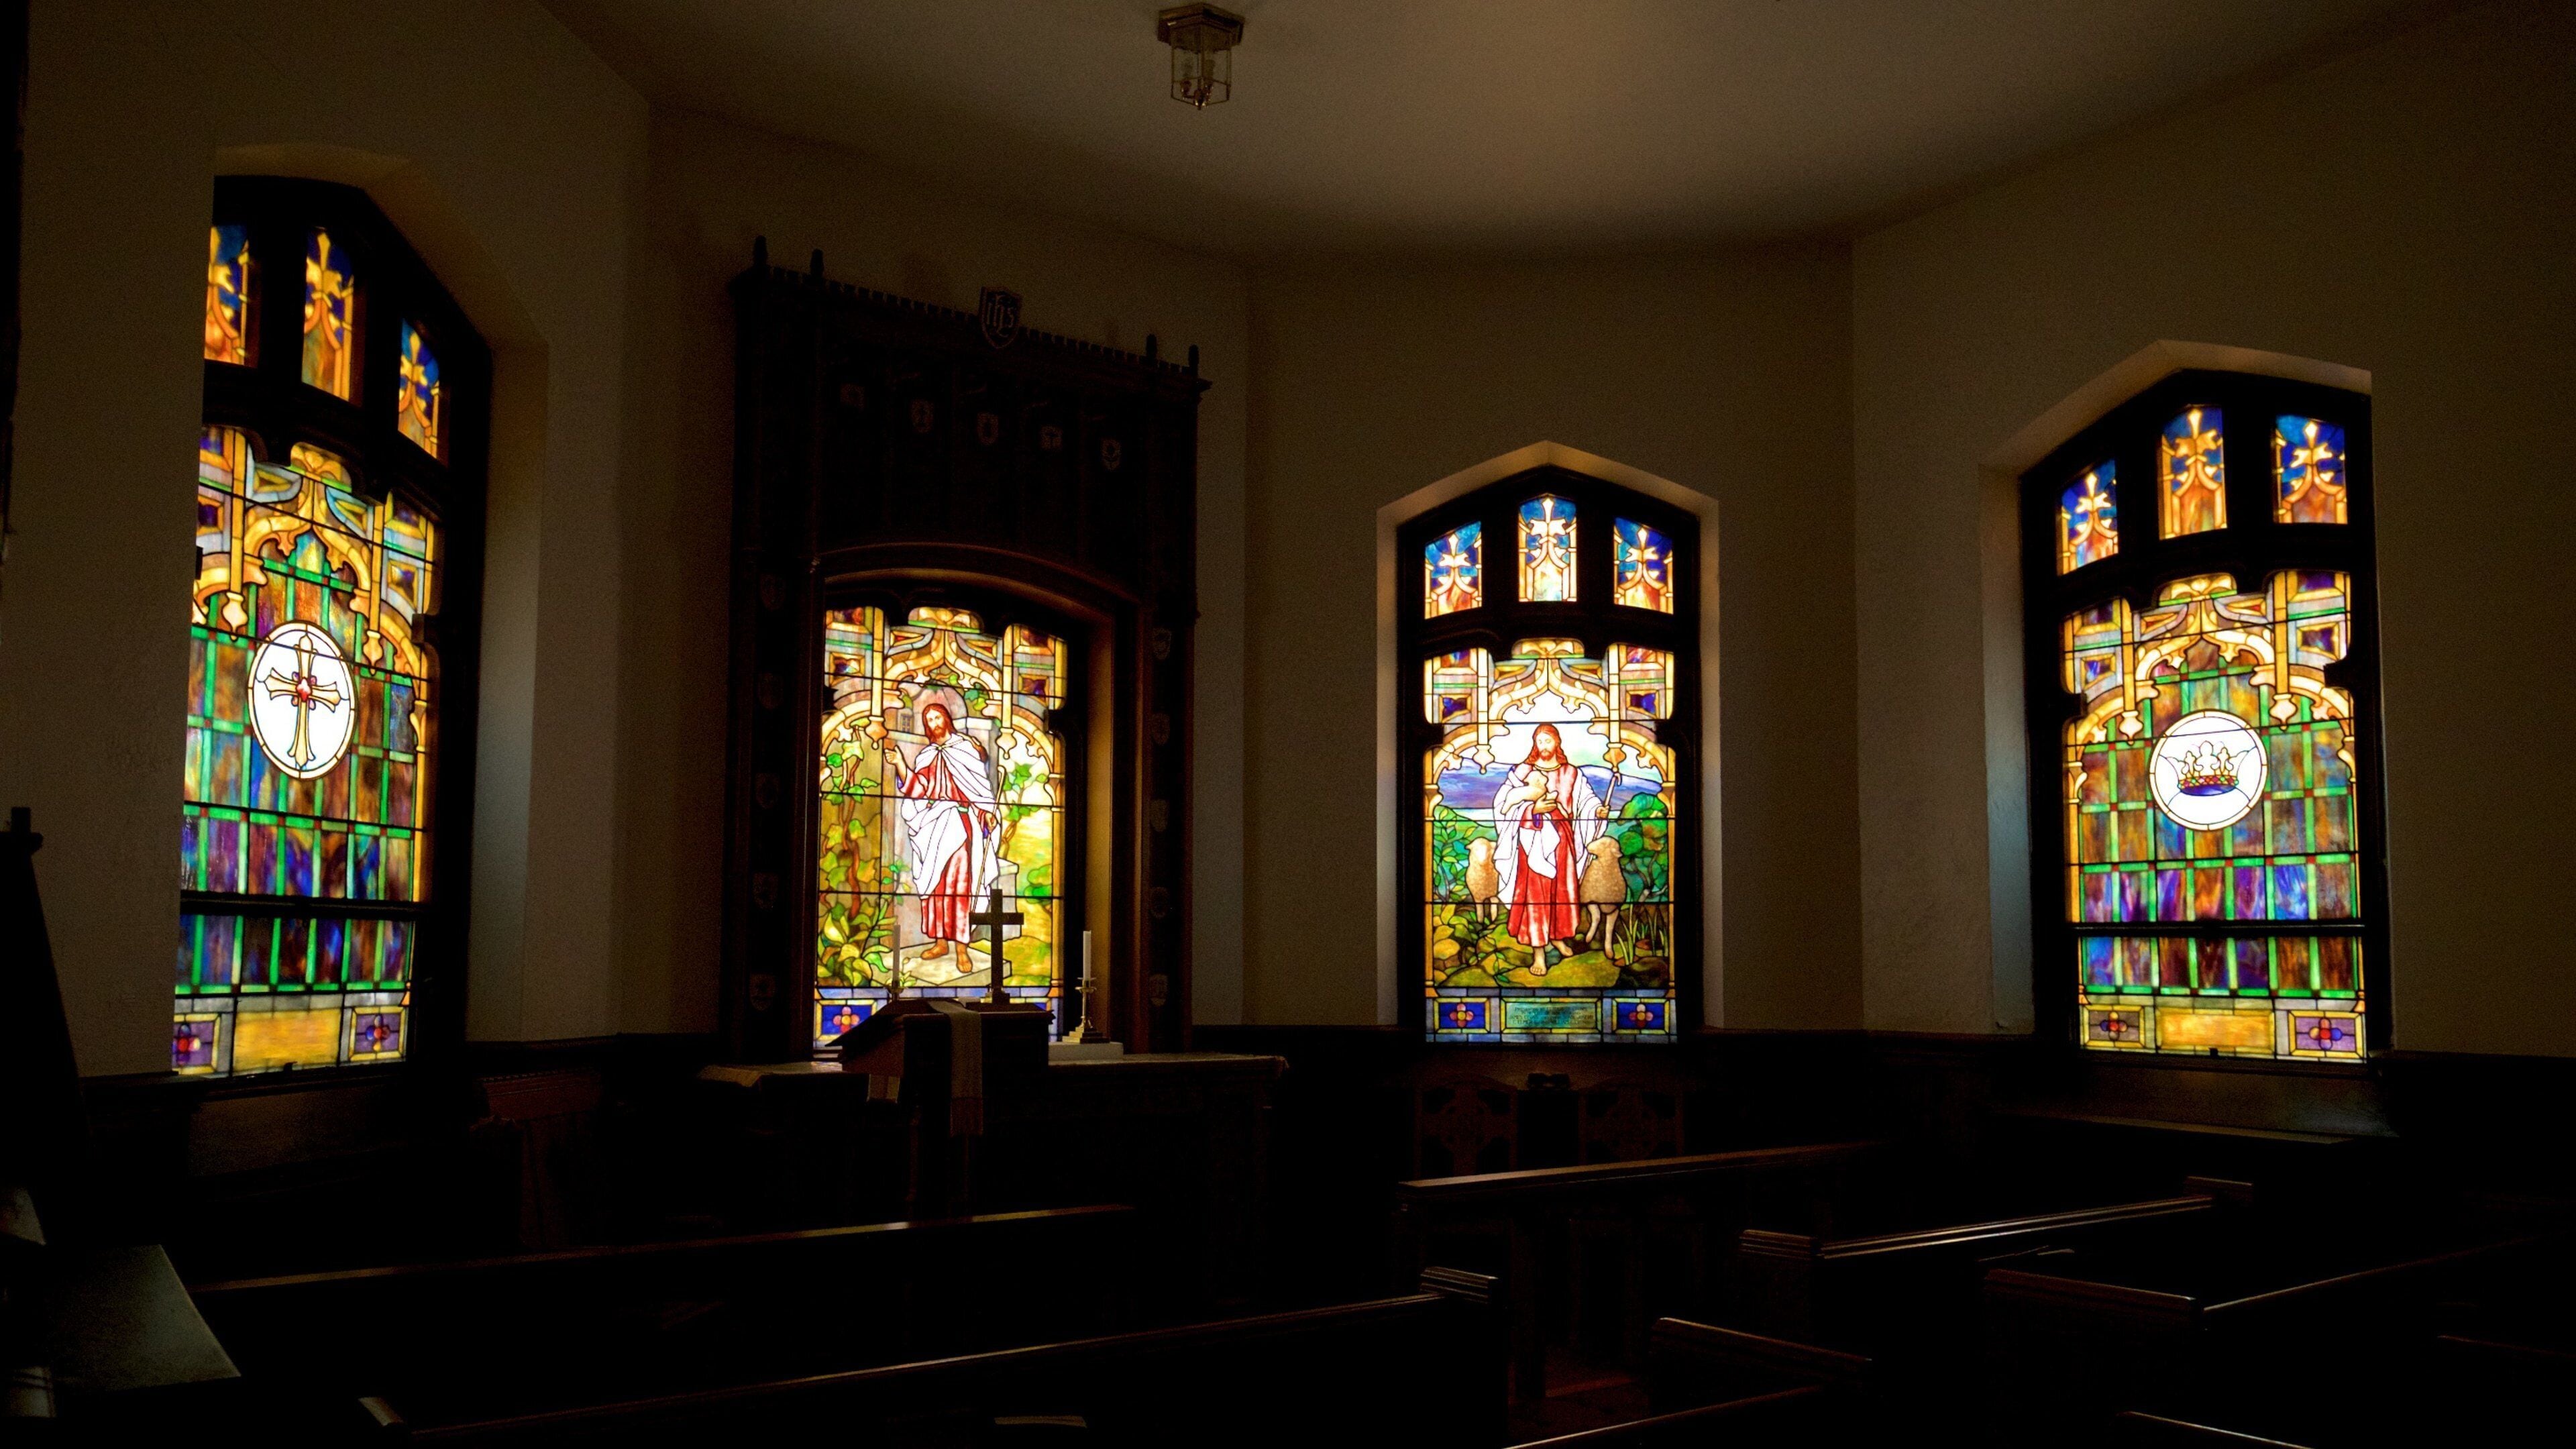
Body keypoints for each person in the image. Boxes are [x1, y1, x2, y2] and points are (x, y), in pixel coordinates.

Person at [1490, 724, 1603, 975]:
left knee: (1561, 894)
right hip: (1532, 840)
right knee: (1537, 896)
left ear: (1557, 743)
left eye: (1548, 741)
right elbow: (1503, 802)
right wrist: (1532, 810)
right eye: (1539, 741)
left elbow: (1586, 801)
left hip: (1563, 841)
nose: (1543, 746)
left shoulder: (1571, 773)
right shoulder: (1523, 771)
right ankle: (1539, 953)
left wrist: (1597, 811)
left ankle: (1557, 937)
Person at [898, 702, 1000, 964]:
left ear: (946, 719)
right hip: (933, 827)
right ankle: (941, 943)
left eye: (937, 717)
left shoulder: (964, 749)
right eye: (929, 720)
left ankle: (962, 948)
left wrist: (986, 813)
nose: (934, 723)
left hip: (959, 827)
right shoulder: (927, 756)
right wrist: (900, 764)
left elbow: (977, 790)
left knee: (959, 886)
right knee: (936, 887)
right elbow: (918, 789)